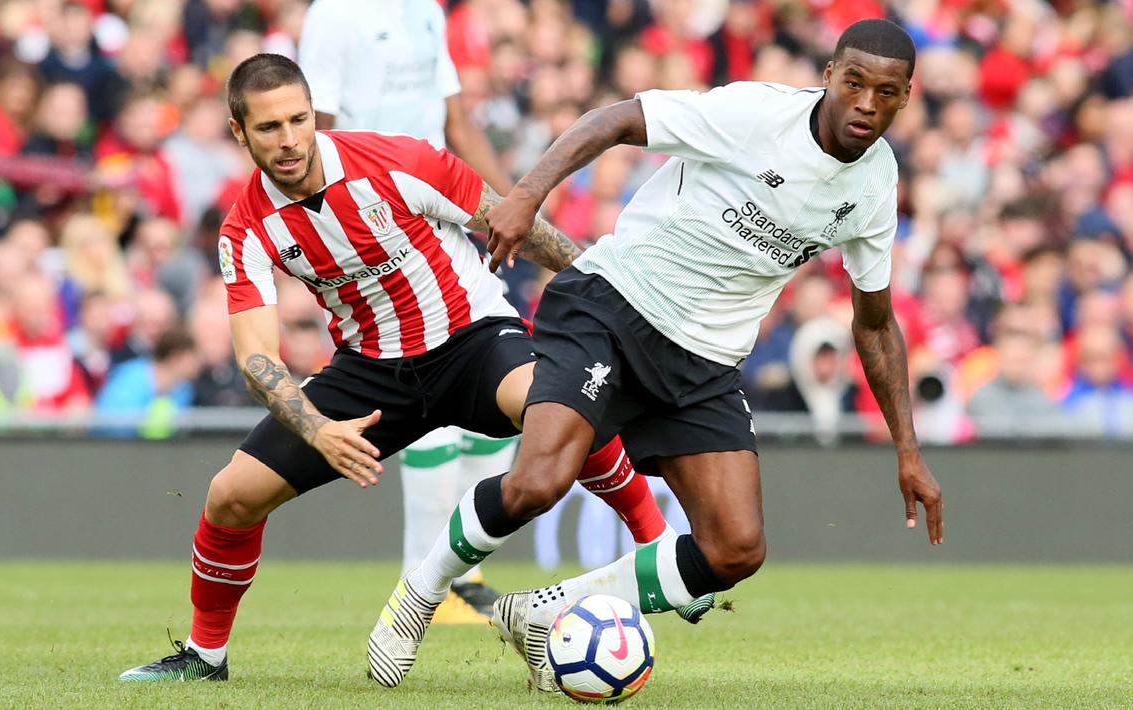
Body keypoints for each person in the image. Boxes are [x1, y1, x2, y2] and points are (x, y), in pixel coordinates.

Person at [369, 19, 945, 692]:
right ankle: (416, 599)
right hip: (612, 307)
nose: (866, 105)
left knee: (734, 548)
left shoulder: (874, 184)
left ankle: (543, 611)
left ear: (907, 96)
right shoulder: (754, 114)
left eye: (885, 92)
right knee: (537, 483)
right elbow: (616, 119)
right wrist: (526, 194)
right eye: (853, 84)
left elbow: (874, 325)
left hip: (704, 362)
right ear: (826, 77)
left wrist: (907, 448)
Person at [118, 54, 697, 684]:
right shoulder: (246, 229)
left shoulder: (397, 160)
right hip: (371, 372)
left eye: (298, 120)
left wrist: (600, 285)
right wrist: (317, 429)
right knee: (231, 496)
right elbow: (256, 355)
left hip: (473, 338)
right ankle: (205, 658)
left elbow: (512, 225)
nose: (288, 141)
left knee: (552, 404)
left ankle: (655, 539)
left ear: (314, 114)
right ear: (238, 132)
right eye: (268, 128)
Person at [298, 0, 526, 621]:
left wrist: (513, 204)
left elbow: (454, 120)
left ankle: (464, 574)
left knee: (500, 386)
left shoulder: (425, 8)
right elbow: (312, 131)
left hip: (442, 205)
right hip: (378, 220)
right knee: (441, 389)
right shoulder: (334, 17)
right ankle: (422, 582)